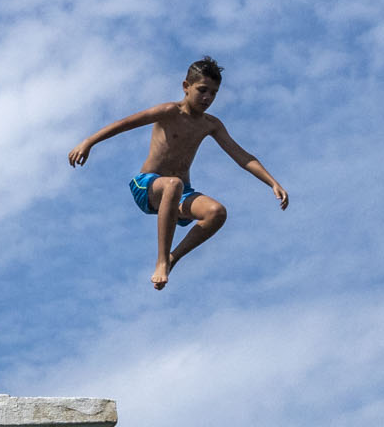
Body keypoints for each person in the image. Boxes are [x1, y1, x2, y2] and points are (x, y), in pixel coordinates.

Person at [68, 57, 290, 290]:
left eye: (213, 93)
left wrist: (272, 182)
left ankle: (173, 258)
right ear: (186, 86)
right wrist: (88, 142)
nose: (207, 98)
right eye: (202, 90)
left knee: (216, 212)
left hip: (181, 192)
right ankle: (161, 260)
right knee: (173, 184)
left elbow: (242, 156)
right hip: (147, 186)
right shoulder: (168, 111)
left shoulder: (211, 124)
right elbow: (125, 123)